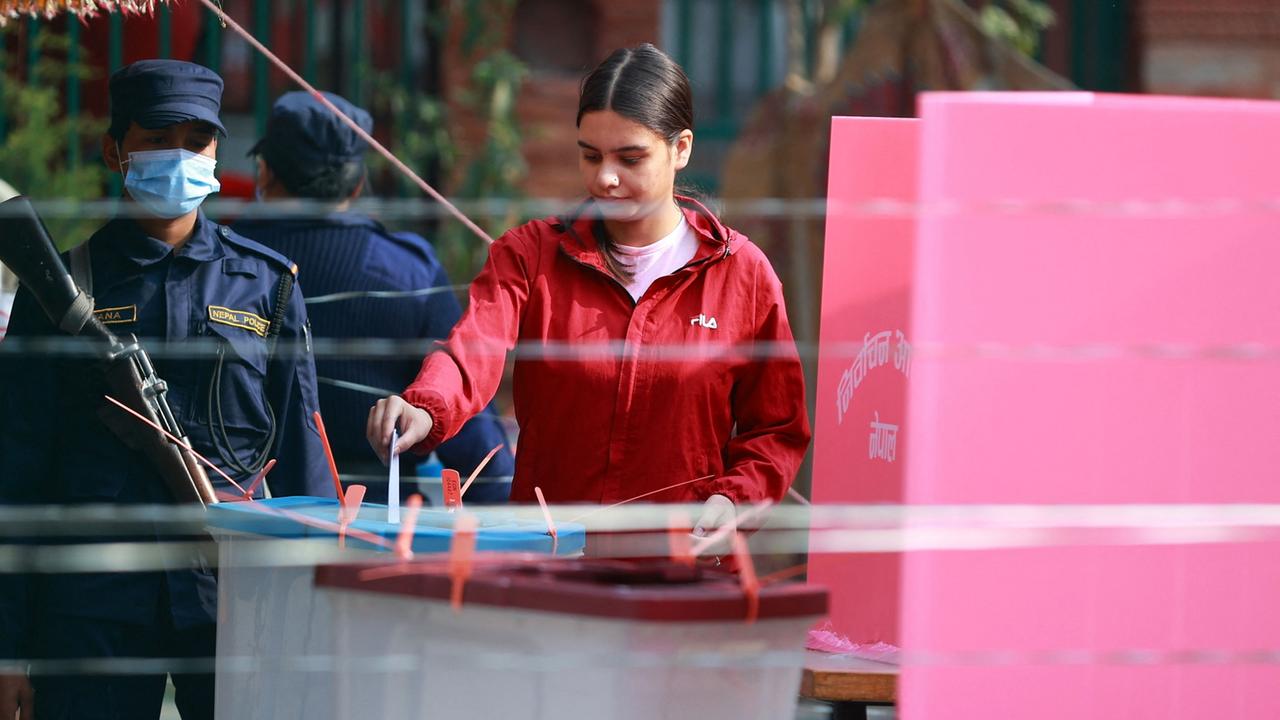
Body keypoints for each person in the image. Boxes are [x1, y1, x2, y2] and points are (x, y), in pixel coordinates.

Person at [366, 44, 811, 537]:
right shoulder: (530, 254)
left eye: (630, 158)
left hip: (683, 566)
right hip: (551, 562)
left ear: (681, 148)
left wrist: (734, 499)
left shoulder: (740, 273)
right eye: (590, 155)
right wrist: (426, 405)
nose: (606, 177)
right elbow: (473, 348)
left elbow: (776, 428)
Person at [0, 59, 332, 720]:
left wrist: (315, 622)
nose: (178, 156)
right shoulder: (61, 293)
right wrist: (9, 652)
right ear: (115, 149)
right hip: (90, 605)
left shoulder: (267, 285)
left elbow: (301, 452)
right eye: (157, 138)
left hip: (232, 602)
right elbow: (15, 473)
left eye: (196, 140)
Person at [233, 91, 515, 504]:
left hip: (253, 520)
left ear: (264, 172)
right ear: (358, 181)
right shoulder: (408, 271)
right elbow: (471, 435)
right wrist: (498, 510)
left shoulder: (228, 262)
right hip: (378, 526)